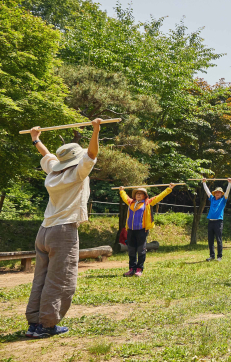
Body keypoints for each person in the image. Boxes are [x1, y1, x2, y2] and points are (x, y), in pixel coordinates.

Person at [25, 119, 102, 339]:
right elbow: (92, 154)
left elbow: (46, 154)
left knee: (41, 277)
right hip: (63, 232)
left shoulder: (53, 173)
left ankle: (34, 322)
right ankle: (46, 325)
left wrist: (35, 138)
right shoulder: (78, 173)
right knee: (60, 280)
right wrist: (96, 130)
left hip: (44, 231)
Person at [118, 183, 175, 277]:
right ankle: (132, 269)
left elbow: (159, 196)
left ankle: (139, 269)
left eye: (141, 193)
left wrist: (169, 188)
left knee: (141, 250)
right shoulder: (130, 202)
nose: (139, 195)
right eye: (137, 193)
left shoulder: (148, 202)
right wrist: (121, 190)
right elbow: (124, 197)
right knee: (131, 250)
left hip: (142, 230)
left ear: (145, 195)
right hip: (131, 231)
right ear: (135, 195)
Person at [202, 178, 231, 262]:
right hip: (210, 222)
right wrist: (204, 183)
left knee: (219, 240)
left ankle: (219, 256)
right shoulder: (212, 199)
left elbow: (227, 192)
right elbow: (207, 191)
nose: (217, 194)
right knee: (210, 240)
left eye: (219, 193)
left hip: (218, 222)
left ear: (221, 194)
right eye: (216, 192)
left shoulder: (223, 200)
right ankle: (212, 256)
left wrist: (229, 183)